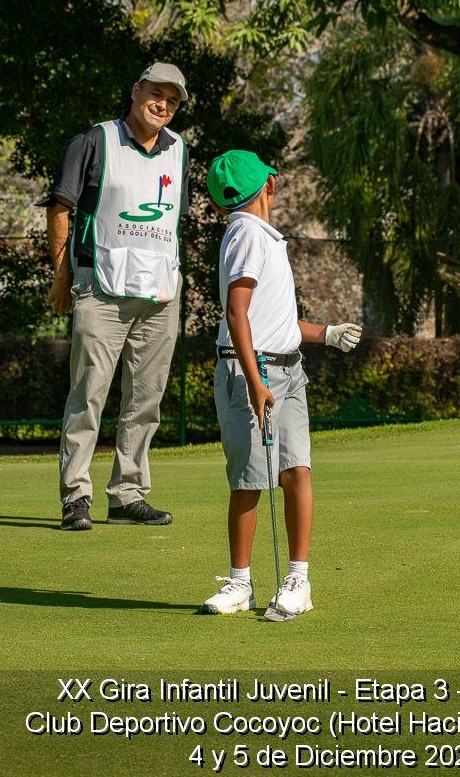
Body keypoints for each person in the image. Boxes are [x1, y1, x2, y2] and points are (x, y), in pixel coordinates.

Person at [198, 150, 363, 618]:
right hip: (253, 372)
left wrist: (325, 334)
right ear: (270, 185)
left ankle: (298, 580)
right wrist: (255, 381)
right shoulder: (248, 234)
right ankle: (240, 583)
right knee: (250, 480)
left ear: (219, 203)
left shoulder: (263, 238)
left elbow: (276, 323)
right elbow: (237, 315)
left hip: (288, 371)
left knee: (296, 471)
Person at [38, 63, 190, 531]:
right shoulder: (94, 141)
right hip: (101, 288)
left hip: (160, 294)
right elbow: (60, 208)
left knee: (146, 400)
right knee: (88, 396)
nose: (163, 104)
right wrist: (61, 276)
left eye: (172, 100)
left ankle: (127, 494)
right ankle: (75, 497)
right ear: (136, 90)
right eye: (156, 93)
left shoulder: (179, 149)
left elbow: (169, 221)